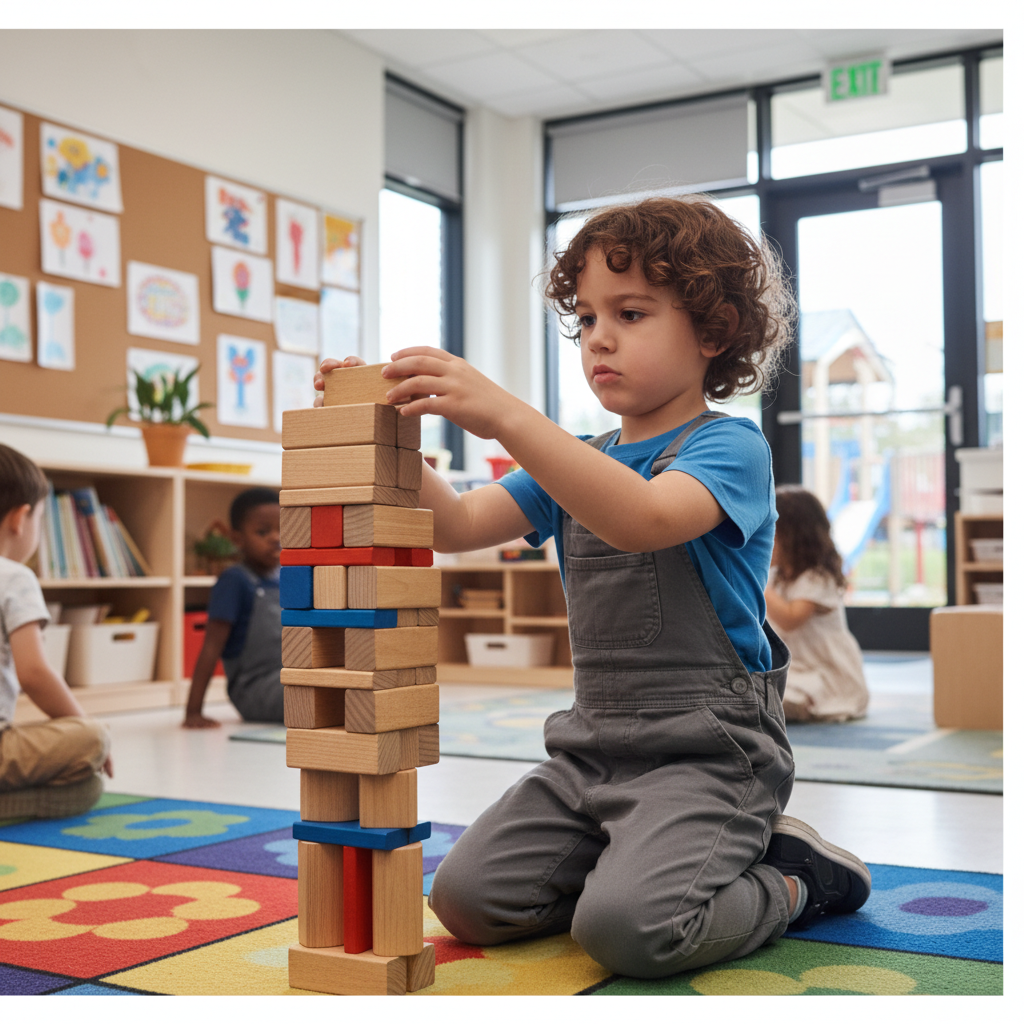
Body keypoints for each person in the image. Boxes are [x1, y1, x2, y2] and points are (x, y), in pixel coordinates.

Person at [315, 196, 871, 980]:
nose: (599, 337)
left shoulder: (729, 445)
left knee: (632, 935)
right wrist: (383, 428)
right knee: (467, 901)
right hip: (591, 752)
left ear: (713, 333)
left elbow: (643, 515)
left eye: (632, 313)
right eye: (586, 320)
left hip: (709, 754)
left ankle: (792, 880)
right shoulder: (575, 456)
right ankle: (637, 858)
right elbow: (456, 524)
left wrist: (507, 415)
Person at [0, 444, 112, 819]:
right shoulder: (14, 577)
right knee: (91, 751)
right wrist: (85, 724)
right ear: (21, 518)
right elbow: (33, 673)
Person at [765, 485, 869, 723]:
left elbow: (791, 619)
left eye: (771, 534)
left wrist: (757, 585)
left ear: (795, 537)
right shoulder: (776, 577)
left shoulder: (817, 577)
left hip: (825, 672)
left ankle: (783, 706)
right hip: (795, 667)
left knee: (782, 695)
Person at [182, 487, 283, 728]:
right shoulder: (234, 581)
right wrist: (193, 712)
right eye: (263, 531)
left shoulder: (285, 575)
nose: (276, 538)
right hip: (253, 689)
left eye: (283, 529)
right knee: (314, 698)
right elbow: (210, 647)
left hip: (287, 678)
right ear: (237, 539)